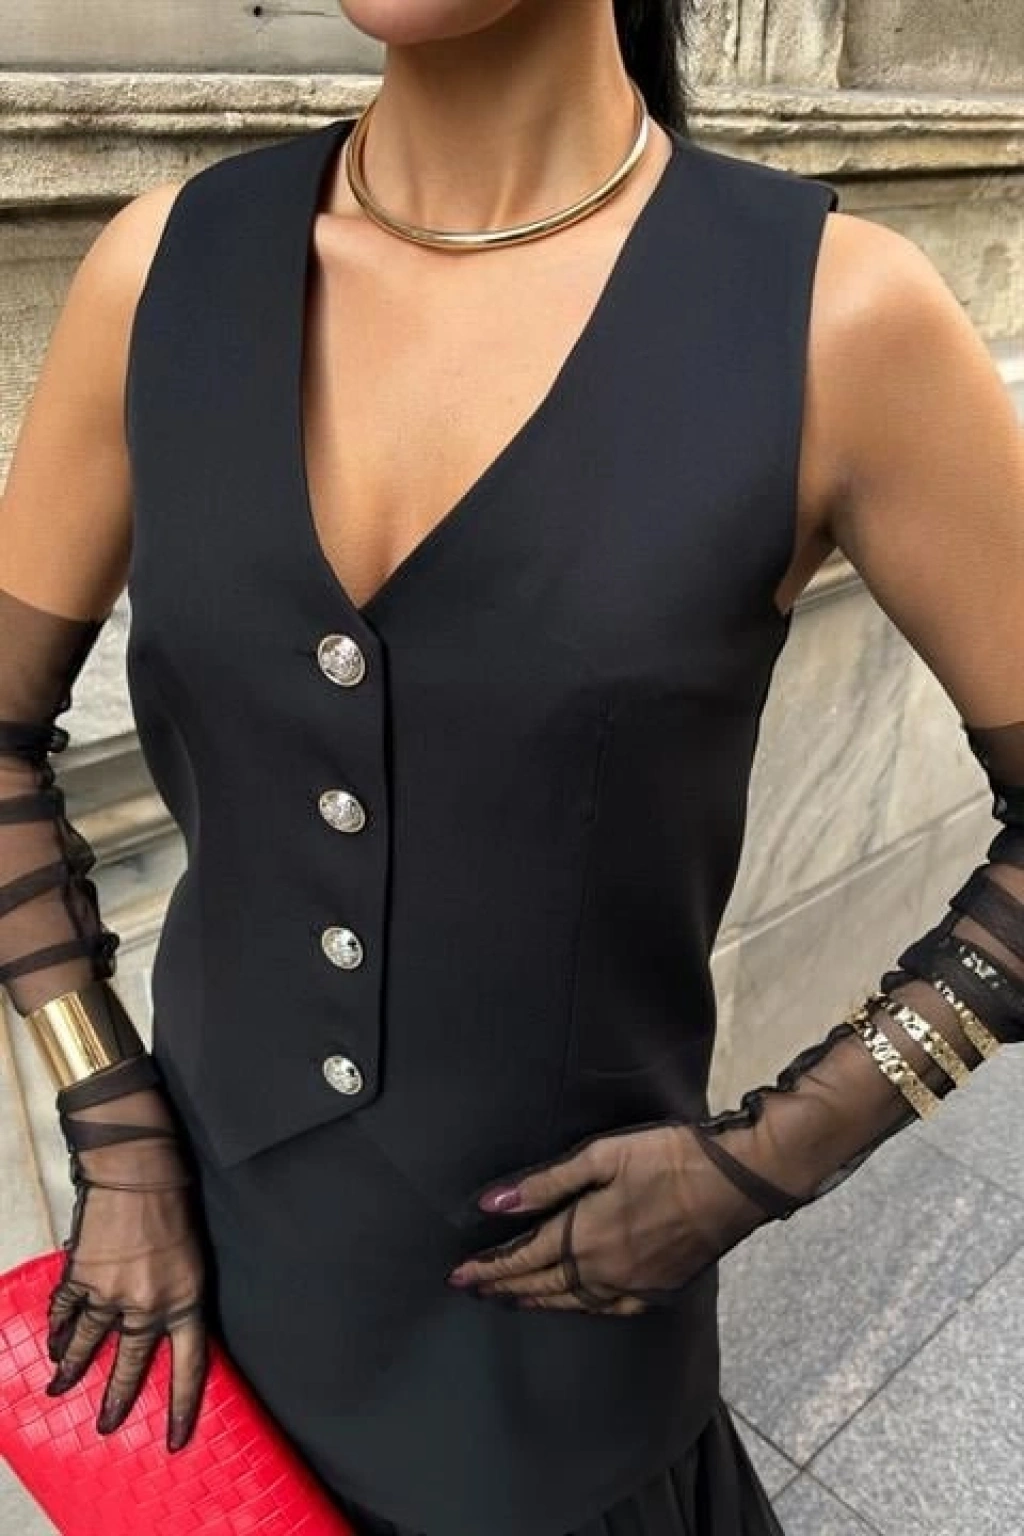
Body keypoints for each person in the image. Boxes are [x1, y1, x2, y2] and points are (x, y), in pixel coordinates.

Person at [1, 1, 1022, 1532]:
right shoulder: (163, 275)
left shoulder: (830, 316)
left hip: (566, 1358)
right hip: (208, 1301)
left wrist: (775, 1155)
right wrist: (115, 1133)